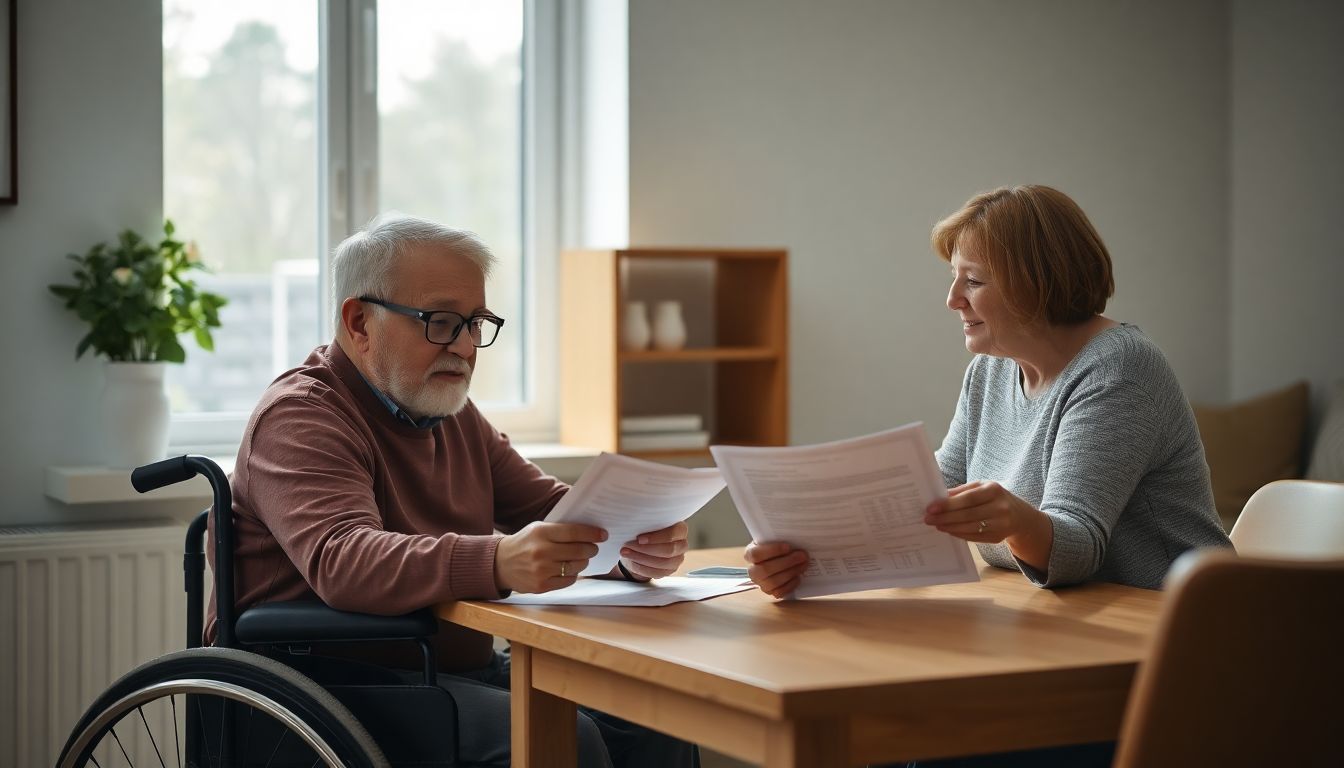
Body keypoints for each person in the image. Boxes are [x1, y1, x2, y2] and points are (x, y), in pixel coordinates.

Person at [743, 185, 1232, 767]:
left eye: (972, 281)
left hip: (1168, 662)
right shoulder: (990, 373)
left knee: (918, 742)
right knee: (880, 732)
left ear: (1036, 282)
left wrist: (1014, 520)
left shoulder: (1121, 369)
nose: (953, 300)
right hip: (1061, 641)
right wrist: (802, 554)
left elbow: (1075, 549)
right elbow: (927, 504)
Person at [206, 214, 697, 768]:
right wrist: (498, 559)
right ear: (359, 322)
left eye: (476, 322)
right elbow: (343, 560)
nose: (465, 347)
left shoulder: (450, 412)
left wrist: (635, 544)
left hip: (447, 672)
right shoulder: (300, 417)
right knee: (565, 742)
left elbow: (557, 512)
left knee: (655, 713)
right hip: (325, 688)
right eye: (441, 321)